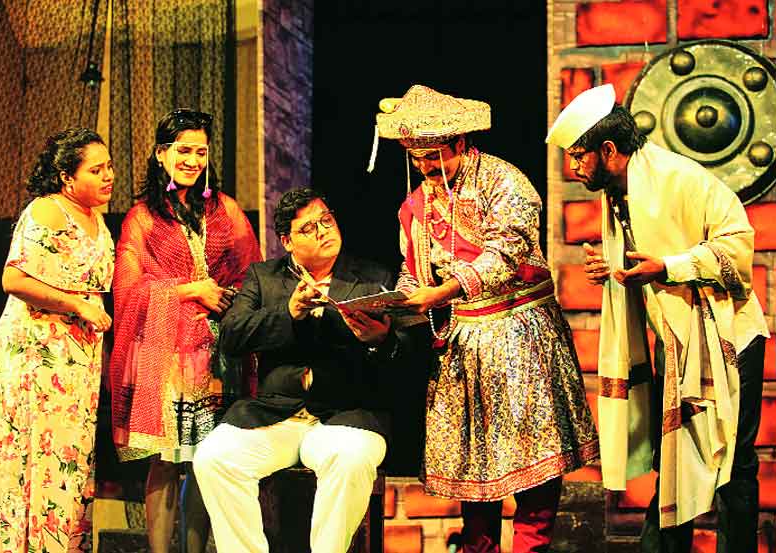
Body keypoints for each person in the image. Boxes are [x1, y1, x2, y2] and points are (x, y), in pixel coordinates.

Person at [369, 84, 599, 553]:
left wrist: (445, 290)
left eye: (434, 156)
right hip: (464, 342)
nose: (425, 167)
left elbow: (506, 252)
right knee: (475, 461)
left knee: (535, 453)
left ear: (459, 142)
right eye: (416, 158)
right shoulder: (417, 204)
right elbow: (414, 271)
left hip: (520, 333)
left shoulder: (503, 181)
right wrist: (397, 302)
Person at [546, 83, 769, 553]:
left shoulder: (677, 177)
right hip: (675, 336)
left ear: (609, 150)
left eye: (580, 156)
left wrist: (667, 267)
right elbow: (647, 253)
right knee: (671, 457)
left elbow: (736, 245)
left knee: (733, 463)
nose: (575, 167)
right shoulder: (618, 190)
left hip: (726, 336)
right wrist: (614, 268)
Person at [193, 187, 418, 553]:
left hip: (346, 413)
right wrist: (289, 313)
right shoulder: (264, 277)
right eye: (309, 228)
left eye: (326, 220)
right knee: (214, 459)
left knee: (351, 458)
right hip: (275, 415)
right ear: (287, 240)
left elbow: (407, 354)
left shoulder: (373, 275)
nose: (323, 231)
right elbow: (232, 336)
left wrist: (380, 339)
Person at [109, 109, 261, 553]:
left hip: (217, 355)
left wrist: (226, 299)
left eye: (201, 151)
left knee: (204, 462)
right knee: (164, 461)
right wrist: (193, 289)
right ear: (161, 154)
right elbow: (128, 289)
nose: (192, 160)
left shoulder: (225, 210)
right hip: (165, 355)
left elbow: (252, 275)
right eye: (183, 150)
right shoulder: (142, 218)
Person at [0, 128, 115, 552]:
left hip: (76, 361)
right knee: (41, 462)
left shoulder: (95, 218)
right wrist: (77, 305)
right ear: (67, 177)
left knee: (69, 465)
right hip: (37, 353)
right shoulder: (47, 210)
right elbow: (14, 279)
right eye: (95, 170)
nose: (108, 176)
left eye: (109, 167)